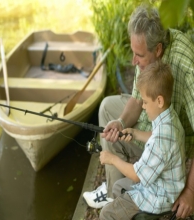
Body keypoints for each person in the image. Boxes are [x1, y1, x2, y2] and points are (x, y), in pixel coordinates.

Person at [83, 4, 194, 219]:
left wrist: (190, 192)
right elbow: (136, 98)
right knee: (107, 109)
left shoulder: (187, 65)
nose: (133, 61)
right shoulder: (145, 55)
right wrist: (122, 124)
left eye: (139, 56)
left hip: (170, 143)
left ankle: (125, 205)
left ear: (158, 50)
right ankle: (117, 194)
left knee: (109, 212)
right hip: (155, 123)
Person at [99, 60, 186, 219]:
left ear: (159, 101)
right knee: (119, 187)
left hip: (158, 199)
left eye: (145, 102)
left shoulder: (160, 140)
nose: (143, 107)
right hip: (165, 187)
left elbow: (137, 175)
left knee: (106, 213)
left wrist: (112, 159)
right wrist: (135, 133)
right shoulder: (170, 117)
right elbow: (155, 135)